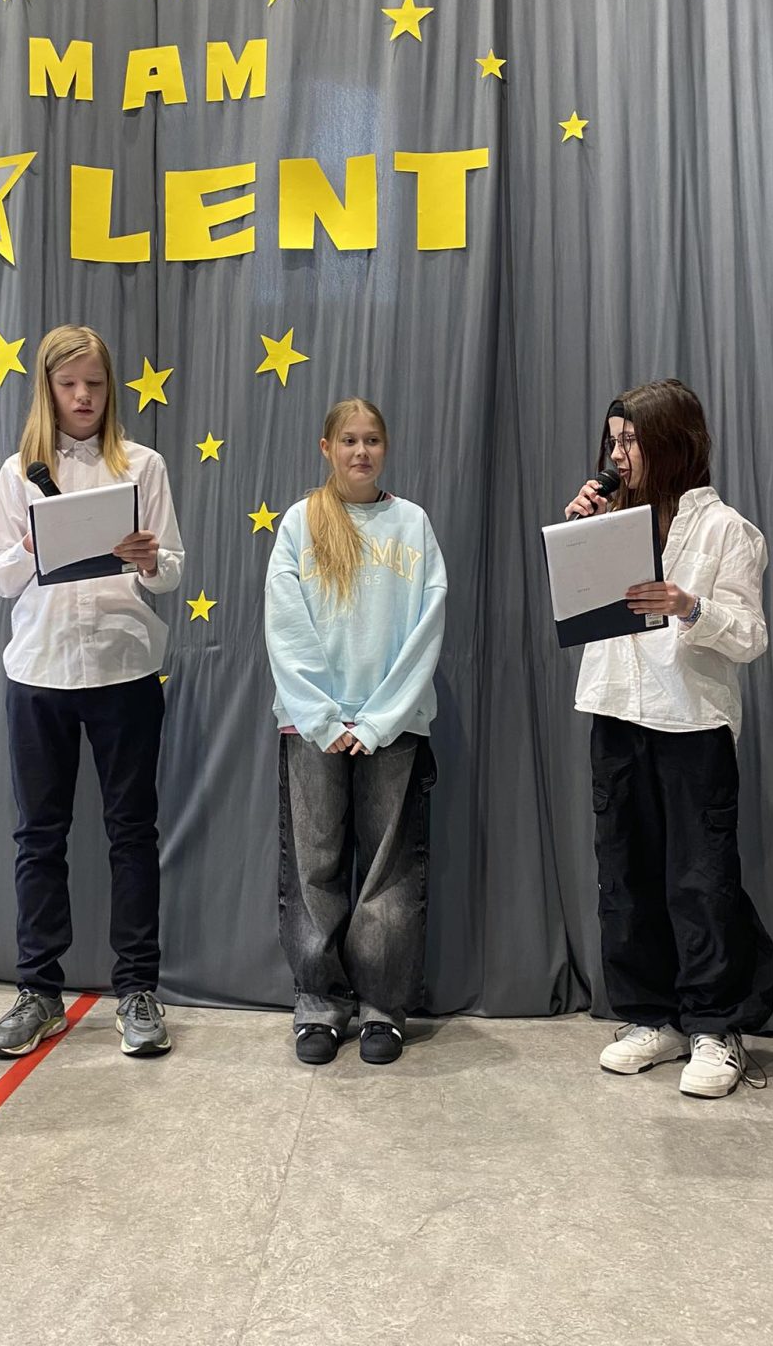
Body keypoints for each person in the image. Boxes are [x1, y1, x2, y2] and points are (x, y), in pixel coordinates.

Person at [565, 379, 773, 1097]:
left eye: (631, 441)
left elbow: (750, 636)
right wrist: (579, 540)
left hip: (690, 721)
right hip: (615, 710)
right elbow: (580, 609)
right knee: (624, 875)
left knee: (699, 879)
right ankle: (650, 1016)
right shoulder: (610, 520)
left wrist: (691, 606)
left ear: (672, 443)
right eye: (613, 441)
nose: (618, 456)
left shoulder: (725, 530)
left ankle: (715, 1026)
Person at [0, 324, 184, 1060]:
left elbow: (172, 572)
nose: (83, 397)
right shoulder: (18, 472)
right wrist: (32, 545)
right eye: (69, 385)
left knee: (133, 834)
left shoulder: (142, 465)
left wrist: (149, 558)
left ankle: (138, 991)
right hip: (39, 672)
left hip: (124, 669)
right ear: (48, 389)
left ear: (110, 388)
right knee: (39, 837)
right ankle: (38, 992)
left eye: (95, 384)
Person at [265, 398, 446, 1067]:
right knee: (314, 866)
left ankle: (382, 1011)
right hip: (311, 726)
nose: (361, 452)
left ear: (385, 448)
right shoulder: (300, 522)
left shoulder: (412, 524)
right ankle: (318, 1006)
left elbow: (427, 628)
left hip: (392, 724)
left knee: (389, 868)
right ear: (327, 448)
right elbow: (285, 626)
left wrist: (376, 720)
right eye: (348, 440)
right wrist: (323, 718)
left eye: (372, 440)